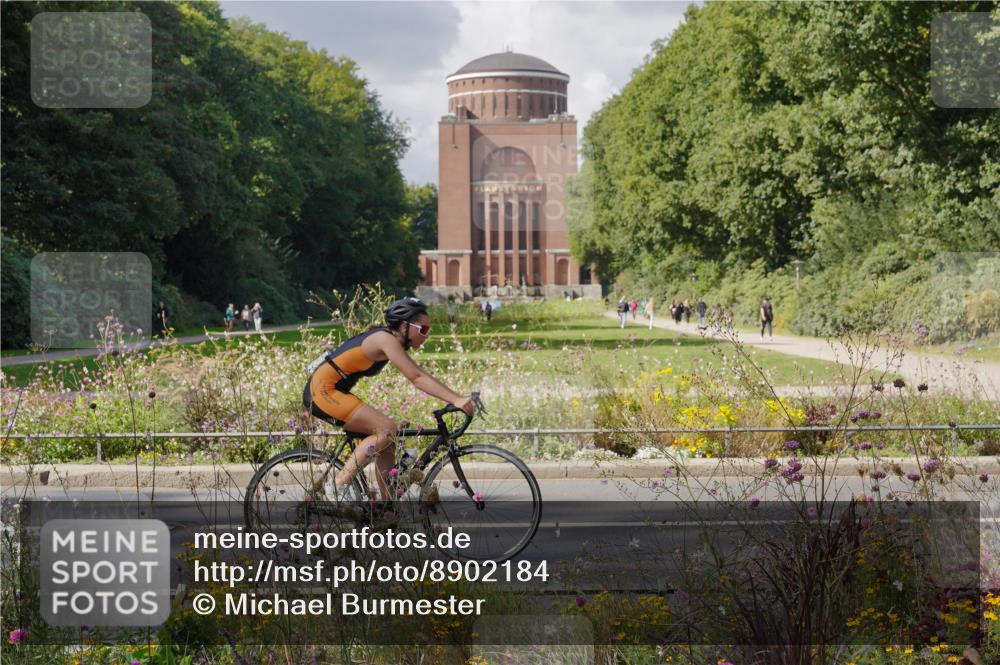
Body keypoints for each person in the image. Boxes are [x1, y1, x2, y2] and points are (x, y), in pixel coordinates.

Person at [303, 297, 474, 501]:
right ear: (404, 326)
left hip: (333, 390)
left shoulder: (387, 339)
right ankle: (338, 485)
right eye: (423, 329)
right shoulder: (385, 340)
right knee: (386, 429)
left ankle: (388, 508)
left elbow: (419, 373)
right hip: (322, 391)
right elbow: (417, 377)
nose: (426, 335)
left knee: (388, 441)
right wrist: (456, 399)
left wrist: (456, 397)